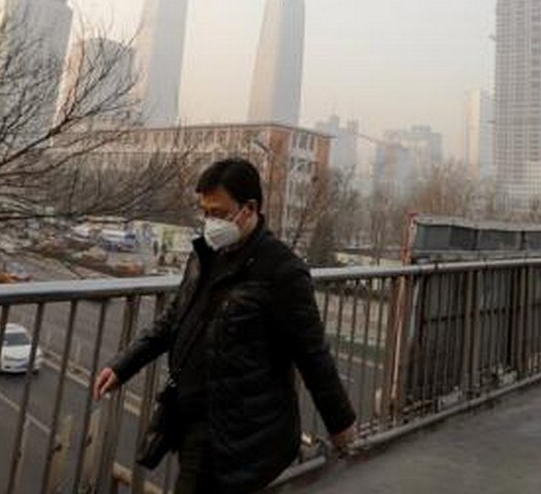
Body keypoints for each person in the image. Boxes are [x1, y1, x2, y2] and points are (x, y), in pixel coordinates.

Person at [93, 158, 357, 493]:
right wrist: (123, 365)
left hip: (235, 429)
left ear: (250, 209)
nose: (210, 222)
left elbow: (313, 354)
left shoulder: (281, 271)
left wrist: (340, 425)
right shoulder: (206, 254)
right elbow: (175, 318)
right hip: (191, 415)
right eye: (205, 212)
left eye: (218, 213)